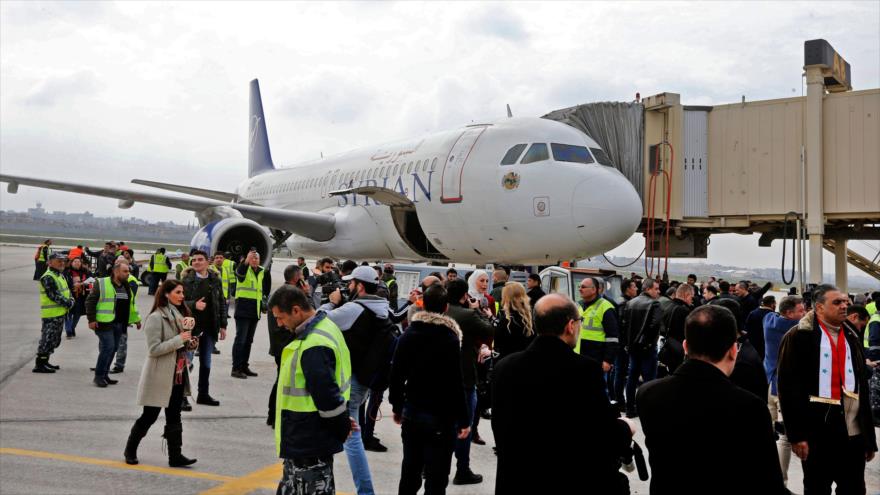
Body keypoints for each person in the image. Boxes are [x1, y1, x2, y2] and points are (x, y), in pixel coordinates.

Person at [492, 293, 635, 494]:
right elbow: (602, 434)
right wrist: (626, 428)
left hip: (515, 481)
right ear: (570, 326)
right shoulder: (584, 370)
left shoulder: (504, 367)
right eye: (579, 322)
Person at [637, 305, 786, 494]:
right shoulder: (749, 407)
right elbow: (767, 479)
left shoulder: (647, 393)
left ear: (685, 346)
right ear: (733, 350)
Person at [777, 284, 878, 494]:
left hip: (853, 435)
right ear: (819, 307)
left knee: (854, 489)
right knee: (816, 489)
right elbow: (788, 389)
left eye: (845, 302)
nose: (844, 306)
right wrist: (797, 435)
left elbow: (862, 390)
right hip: (817, 436)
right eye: (837, 302)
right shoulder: (798, 337)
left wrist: (868, 438)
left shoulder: (851, 335)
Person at [269, 285, 353, 495]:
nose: (279, 324)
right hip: (305, 437)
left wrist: (341, 426)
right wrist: (342, 420)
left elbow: (327, 396)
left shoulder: (313, 344)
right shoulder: (325, 326)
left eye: (280, 317)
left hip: (308, 440)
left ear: (296, 310)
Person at [320, 265, 396, 495]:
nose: (347, 287)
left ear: (360, 286)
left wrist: (332, 302)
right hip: (365, 379)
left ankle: (365, 491)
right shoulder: (384, 308)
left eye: (351, 283)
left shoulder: (355, 308)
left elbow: (318, 320)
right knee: (346, 431)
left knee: (351, 437)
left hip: (350, 381)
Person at [390, 284, 470, 495]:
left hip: (413, 411)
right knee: (437, 476)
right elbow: (455, 382)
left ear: (423, 305)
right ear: (446, 308)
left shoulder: (408, 334)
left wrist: (397, 406)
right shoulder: (450, 339)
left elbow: (396, 374)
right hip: (442, 417)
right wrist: (464, 419)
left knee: (410, 470)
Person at [123, 279, 197, 468]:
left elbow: (181, 344)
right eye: (178, 292)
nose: (182, 296)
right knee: (150, 415)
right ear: (166, 294)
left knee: (174, 416)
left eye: (182, 293)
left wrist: (190, 343)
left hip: (178, 373)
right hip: (160, 375)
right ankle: (130, 449)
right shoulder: (156, 317)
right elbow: (154, 349)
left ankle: (175, 456)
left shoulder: (180, 315)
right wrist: (179, 339)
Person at [444, 278, 493, 486]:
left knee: (442, 424)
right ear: (465, 295)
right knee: (464, 426)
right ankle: (462, 469)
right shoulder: (468, 315)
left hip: (439, 377)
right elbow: (490, 332)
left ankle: (432, 468)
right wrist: (480, 312)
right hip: (464, 377)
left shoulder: (439, 311)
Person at [764, 295, 806, 488]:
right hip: (783, 389)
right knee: (785, 439)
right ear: (789, 314)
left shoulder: (768, 320)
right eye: (800, 311)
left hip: (769, 384)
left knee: (769, 434)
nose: (804, 314)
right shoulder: (794, 327)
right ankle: (781, 483)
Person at [180, 250, 227, 406]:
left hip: (209, 327)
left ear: (208, 262)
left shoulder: (215, 280)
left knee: (206, 364)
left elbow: (221, 301)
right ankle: (182, 396)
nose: (196, 262)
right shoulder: (186, 280)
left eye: (200, 259)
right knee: (186, 363)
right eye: (194, 260)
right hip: (191, 327)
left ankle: (203, 394)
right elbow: (177, 303)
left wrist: (223, 325)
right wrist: (194, 305)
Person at [86, 261, 141, 387]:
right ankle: (98, 376)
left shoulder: (126, 285)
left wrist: (136, 319)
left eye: (129, 271)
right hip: (104, 322)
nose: (128, 274)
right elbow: (90, 301)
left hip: (120, 323)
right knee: (108, 347)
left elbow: (130, 304)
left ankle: (105, 375)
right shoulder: (101, 282)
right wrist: (91, 319)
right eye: (125, 271)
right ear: (116, 272)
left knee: (113, 349)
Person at [266, 265, 308, 428]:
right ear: (298, 278)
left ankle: (272, 415)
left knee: (280, 380)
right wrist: (307, 296)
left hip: (279, 345)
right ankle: (275, 415)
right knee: (282, 382)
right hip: (285, 345)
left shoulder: (281, 293)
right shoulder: (290, 297)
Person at [621, 278, 662, 418]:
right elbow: (654, 326)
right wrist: (647, 344)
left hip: (632, 347)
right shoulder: (655, 304)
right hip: (647, 349)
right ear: (648, 289)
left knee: (632, 377)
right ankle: (647, 409)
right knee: (649, 380)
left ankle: (630, 408)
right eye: (656, 288)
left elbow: (624, 325)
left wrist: (628, 344)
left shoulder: (630, 303)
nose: (658, 291)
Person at [232, 249, 270, 379]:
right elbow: (240, 275)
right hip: (243, 309)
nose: (255, 260)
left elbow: (264, 291)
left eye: (257, 258)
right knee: (240, 340)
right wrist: (245, 261)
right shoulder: (243, 269)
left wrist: (264, 304)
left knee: (248, 341)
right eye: (252, 258)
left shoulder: (262, 271)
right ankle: (236, 368)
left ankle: (244, 366)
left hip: (255, 310)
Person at [32, 253, 74, 373]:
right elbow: (54, 296)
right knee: (47, 339)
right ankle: (39, 364)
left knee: (54, 340)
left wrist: (71, 299)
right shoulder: (48, 277)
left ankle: (45, 361)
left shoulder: (60, 275)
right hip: (51, 314)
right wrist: (69, 303)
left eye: (63, 261)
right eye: (58, 261)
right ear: (49, 263)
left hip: (59, 313)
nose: (62, 263)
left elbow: (67, 291)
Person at [574, 276, 619, 376]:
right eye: (579, 286)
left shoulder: (606, 307)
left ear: (594, 289)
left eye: (583, 287)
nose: (580, 289)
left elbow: (612, 337)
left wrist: (608, 360)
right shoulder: (578, 305)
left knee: (597, 389)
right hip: (578, 356)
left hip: (596, 358)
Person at [493, 283, 535, 361]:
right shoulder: (528, 320)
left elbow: (498, 346)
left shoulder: (506, 322)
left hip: (507, 365)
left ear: (506, 299)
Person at [658, 283, 693, 375]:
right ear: (686, 295)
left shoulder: (668, 307)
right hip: (680, 351)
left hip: (668, 347)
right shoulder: (684, 310)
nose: (691, 300)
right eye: (691, 297)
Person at [62, 256, 91, 339]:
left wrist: (82, 284)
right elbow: (64, 284)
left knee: (78, 314)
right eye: (75, 261)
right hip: (69, 295)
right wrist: (73, 286)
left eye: (79, 262)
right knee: (69, 313)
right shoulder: (67, 272)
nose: (77, 263)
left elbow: (92, 279)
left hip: (81, 296)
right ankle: (69, 331)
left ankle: (72, 327)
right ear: (71, 263)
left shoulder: (85, 272)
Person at [746, 295, 776, 361]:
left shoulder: (752, 313)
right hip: (766, 346)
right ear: (772, 304)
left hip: (753, 345)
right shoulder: (774, 316)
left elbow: (747, 328)